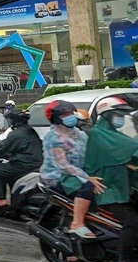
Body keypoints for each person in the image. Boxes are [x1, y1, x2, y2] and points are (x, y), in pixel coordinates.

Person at [82, 96, 138, 262]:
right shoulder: (99, 135)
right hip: (106, 190)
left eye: (123, 115)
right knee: (133, 221)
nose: (121, 118)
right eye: (118, 115)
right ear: (107, 115)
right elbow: (130, 148)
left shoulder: (114, 134)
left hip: (121, 187)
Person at [39, 100, 101, 239]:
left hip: (79, 171)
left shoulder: (79, 134)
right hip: (58, 175)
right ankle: (77, 223)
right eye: (65, 114)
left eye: (71, 113)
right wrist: (87, 178)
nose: (71, 117)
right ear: (55, 117)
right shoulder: (53, 138)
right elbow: (63, 165)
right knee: (87, 186)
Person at [0, 107, 43, 209]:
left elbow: (0, 149)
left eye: (10, 119)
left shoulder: (16, 134)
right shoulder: (30, 131)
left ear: (14, 120)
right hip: (36, 162)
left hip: (24, 164)